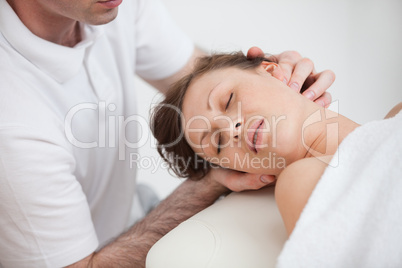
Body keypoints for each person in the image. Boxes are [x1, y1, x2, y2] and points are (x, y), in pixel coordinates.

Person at [0, 0, 334, 267]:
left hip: (136, 209)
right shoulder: (14, 125)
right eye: (217, 143)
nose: (233, 127)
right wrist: (211, 181)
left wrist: (278, 80)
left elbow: (203, 88)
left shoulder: (112, 6)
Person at [151, 51, 401, 234]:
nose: (231, 128)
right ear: (240, 171)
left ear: (273, 71)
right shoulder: (299, 183)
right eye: (218, 143)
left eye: (228, 100)